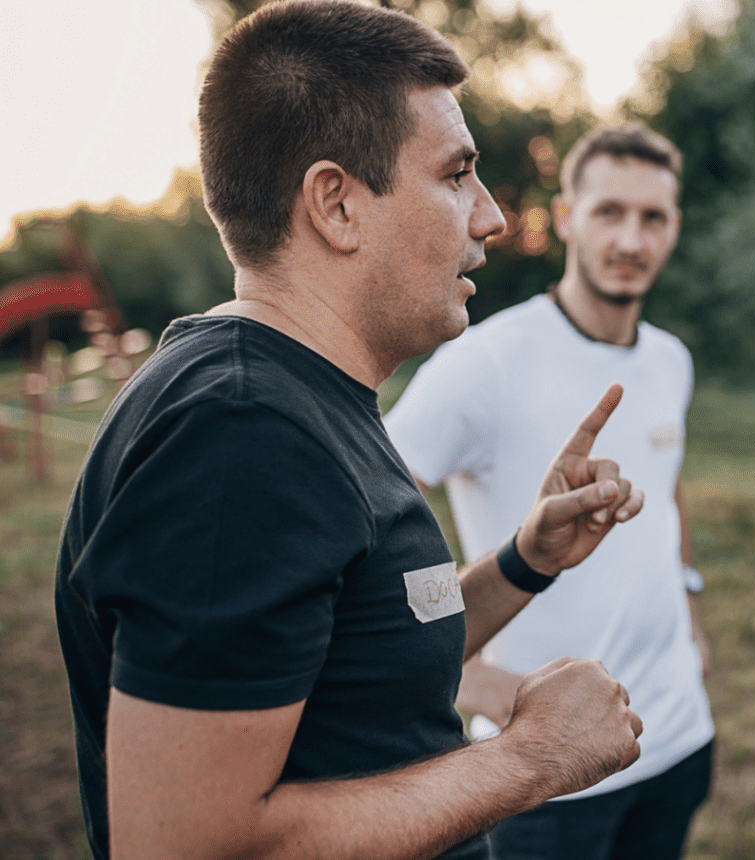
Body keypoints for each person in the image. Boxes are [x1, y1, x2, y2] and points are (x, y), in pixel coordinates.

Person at [52, 4, 649, 858]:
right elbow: (183, 844)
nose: (493, 218)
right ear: (336, 204)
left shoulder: (298, 397)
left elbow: (365, 666)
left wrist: (527, 560)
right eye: (456, 175)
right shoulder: (242, 438)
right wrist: (530, 760)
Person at [385, 123, 714, 860]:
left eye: (652, 217)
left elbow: (667, 491)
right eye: (609, 212)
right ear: (566, 218)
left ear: (674, 228)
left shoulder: (671, 360)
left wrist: (689, 608)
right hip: (546, 769)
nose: (631, 237)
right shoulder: (485, 362)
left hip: (676, 736)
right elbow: (368, 518)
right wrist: (465, 676)